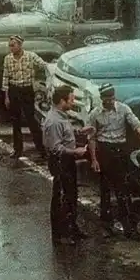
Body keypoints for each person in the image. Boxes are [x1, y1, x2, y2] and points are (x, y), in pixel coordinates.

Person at [87, 83, 140, 241]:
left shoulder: (124, 109)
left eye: (112, 98)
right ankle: (106, 225)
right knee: (105, 190)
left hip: (120, 151)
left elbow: (136, 125)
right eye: (107, 99)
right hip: (104, 151)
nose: (110, 101)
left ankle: (129, 228)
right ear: (102, 98)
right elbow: (92, 138)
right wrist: (94, 159)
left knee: (123, 190)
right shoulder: (95, 114)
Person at [42, 85, 91, 245]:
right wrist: (75, 152)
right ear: (62, 101)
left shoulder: (62, 116)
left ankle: (71, 228)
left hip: (66, 160)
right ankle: (61, 233)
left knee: (71, 194)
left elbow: (65, 135)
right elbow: (56, 147)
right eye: (71, 99)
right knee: (62, 196)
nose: (73, 102)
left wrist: (80, 132)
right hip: (60, 161)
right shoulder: (54, 121)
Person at [1, 35, 49, 159]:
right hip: (14, 90)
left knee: (31, 119)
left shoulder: (30, 56)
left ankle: (41, 149)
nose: (11, 48)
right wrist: (6, 96)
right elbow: (5, 78)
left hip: (27, 90)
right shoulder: (7, 59)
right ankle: (17, 149)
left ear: (20, 45)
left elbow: (43, 65)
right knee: (15, 121)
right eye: (10, 46)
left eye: (13, 45)